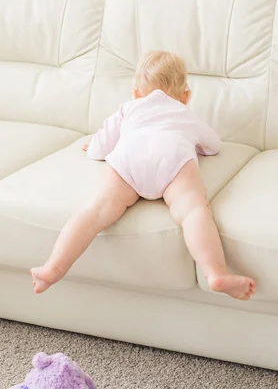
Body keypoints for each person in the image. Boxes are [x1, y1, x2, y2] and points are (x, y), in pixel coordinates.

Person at [30, 51, 256, 300]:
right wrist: (197, 145)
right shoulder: (185, 113)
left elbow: (99, 148)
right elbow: (214, 145)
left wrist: (94, 146)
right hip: (173, 162)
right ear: (186, 96)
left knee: (94, 211)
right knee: (193, 212)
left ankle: (52, 268)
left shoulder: (128, 109)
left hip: (128, 163)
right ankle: (216, 274)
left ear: (136, 92)